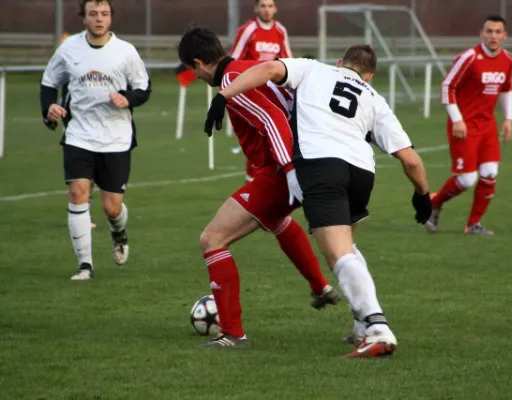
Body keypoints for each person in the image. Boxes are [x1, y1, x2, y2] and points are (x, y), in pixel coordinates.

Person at [205, 45, 432, 358]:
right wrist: (423, 197)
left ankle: (377, 328)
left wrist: (223, 95)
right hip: (362, 172)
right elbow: (410, 160)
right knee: (347, 248)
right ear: (370, 75)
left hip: (322, 166)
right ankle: (361, 325)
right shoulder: (375, 99)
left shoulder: (315, 68)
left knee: (338, 255)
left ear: (339, 63)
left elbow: (268, 70)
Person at [177, 27, 340, 349]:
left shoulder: (230, 82)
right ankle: (324, 290)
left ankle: (233, 334)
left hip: (283, 169)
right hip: (296, 162)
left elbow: (272, 119)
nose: (194, 77)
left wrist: (290, 172)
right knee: (283, 223)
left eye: (192, 71)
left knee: (212, 239)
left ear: (198, 62)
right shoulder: (246, 68)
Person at [40, 0, 151, 280]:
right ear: (83, 18)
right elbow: (49, 82)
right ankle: (85, 265)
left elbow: (143, 88)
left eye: (104, 14)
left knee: (111, 207)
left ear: (111, 18)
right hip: (79, 134)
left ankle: (119, 232)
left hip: (116, 137)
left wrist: (128, 98)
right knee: (78, 193)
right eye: (93, 14)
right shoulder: (69, 49)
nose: (99, 19)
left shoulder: (126, 52)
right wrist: (49, 108)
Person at [426, 15, 512, 235]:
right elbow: (447, 86)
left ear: (504, 35)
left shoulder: (508, 61)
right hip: (464, 126)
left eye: (497, 32)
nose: (493, 36)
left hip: (487, 125)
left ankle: (473, 224)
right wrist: (457, 118)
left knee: (490, 172)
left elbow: (506, 90)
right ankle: (434, 203)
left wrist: (509, 118)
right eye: (489, 31)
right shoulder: (469, 57)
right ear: (481, 33)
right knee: (466, 179)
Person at [230, 0, 293, 182]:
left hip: (271, 93)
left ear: (275, 9)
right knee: (257, 139)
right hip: (249, 92)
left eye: (270, 6)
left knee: (270, 138)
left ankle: (264, 185)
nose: (266, 10)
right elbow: (234, 60)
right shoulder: (248, 30)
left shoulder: (280, 31)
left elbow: (287, 61)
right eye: (263, 6)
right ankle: (253, 183)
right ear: (256, 8)